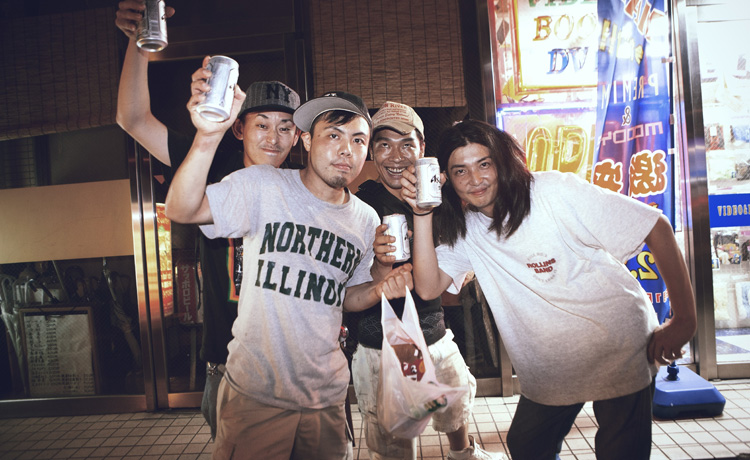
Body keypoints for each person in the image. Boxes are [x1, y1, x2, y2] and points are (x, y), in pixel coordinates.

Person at [400, 120, 698, 460]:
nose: (475, 179)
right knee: (527, 445)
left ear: (502, 161)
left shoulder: (553, 191)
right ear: (447, 180)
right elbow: (428, 288)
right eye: (460, 171)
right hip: (549, 365)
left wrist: (685, 319)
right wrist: (421, 213)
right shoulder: (468, 229)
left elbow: (655, 226)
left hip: (616, 342)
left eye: (484, 164)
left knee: (620, 450)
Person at [165, 79, 414, 458]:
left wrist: (380, 282)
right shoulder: (264, 185)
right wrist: (207, 135)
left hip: (327, 399)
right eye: (333, 135)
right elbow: (181, 209)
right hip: (255, 396)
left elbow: (347, 297)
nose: (346, 150)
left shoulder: (365, 218)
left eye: (359, 140)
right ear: (307, 139)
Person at [115, 0, 302, 440]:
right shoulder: (211, 165)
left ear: (298, 137)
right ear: (239, 127)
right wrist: (138, 45)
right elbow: (133, 119)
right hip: (227, 361)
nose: (273, 138)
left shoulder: (303, 187)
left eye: (285, 127)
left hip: (296, 364)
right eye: (261, 124)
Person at [353, 102, 505, 460]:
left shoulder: (444, 200)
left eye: (407, 144)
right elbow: (349, 282)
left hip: (433, 330)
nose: (396, 155)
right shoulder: (359, 206)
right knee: (396, 436)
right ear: (372, 152)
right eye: (384, 144)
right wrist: (377, 262)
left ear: (421, 148)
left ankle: (463, 454)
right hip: (384, 342)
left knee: (455, 405)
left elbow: (465, 252)